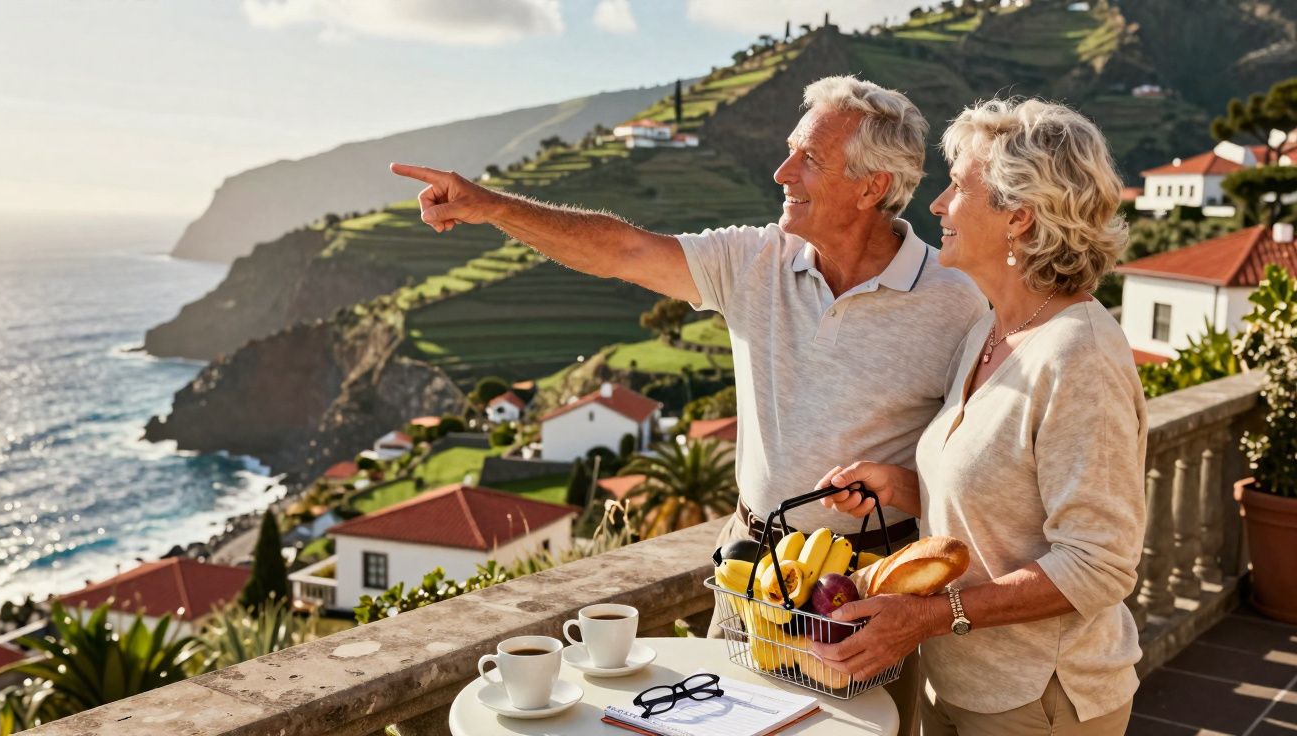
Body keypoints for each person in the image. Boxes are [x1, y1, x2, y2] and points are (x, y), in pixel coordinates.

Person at [391, 76, 987, 736]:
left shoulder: (957, 300)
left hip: (873, 589)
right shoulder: (755, 259)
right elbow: (622, 249)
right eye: (791, 150)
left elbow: (972, 467)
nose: (781, 170)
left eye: (809, 158)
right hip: (750, 568)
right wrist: (492, 207)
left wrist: (896, 487)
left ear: (872, 186)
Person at [813, 98, 1147, 735]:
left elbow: (1100, 563)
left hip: (1042, 701)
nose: (936, 206)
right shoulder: (991, 333)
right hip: (959, 685)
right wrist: (905, 485)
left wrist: (931, 616)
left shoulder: (1081, 356)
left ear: (1018, 216)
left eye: (957, 188)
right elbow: (1007, 505)